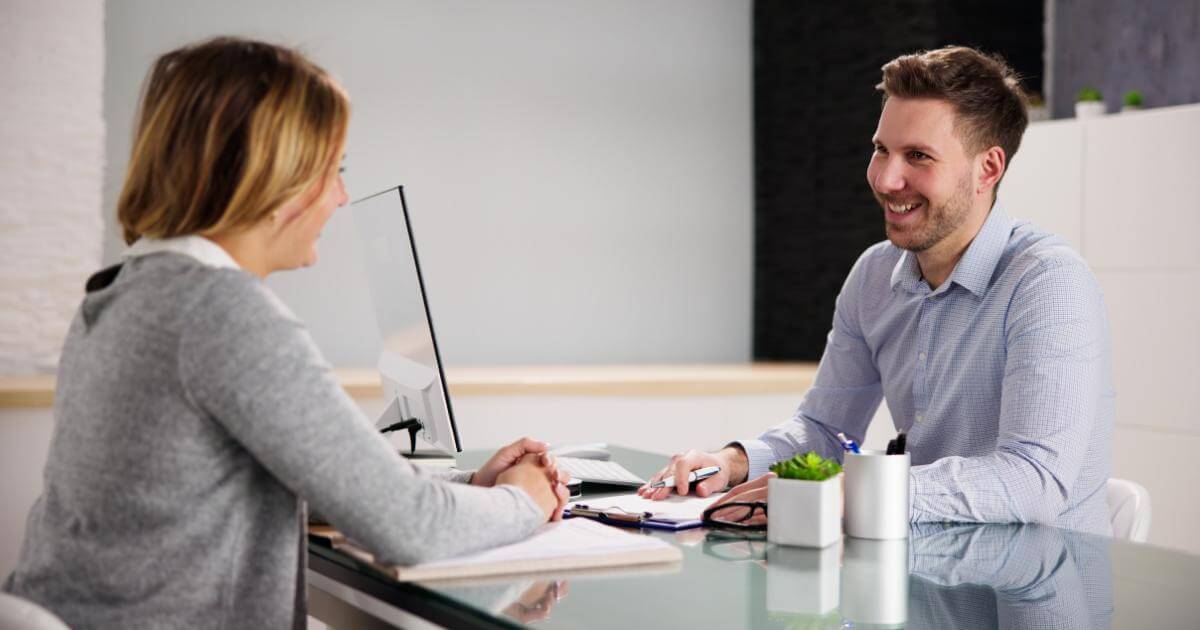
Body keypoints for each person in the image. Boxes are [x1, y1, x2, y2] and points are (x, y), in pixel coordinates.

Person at [2, 37, 568, 629]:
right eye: (333, 171)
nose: (341, 197)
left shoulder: (121, 293)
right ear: (275, 179)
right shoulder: (222, 313)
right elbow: (410, 528)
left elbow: (299, 482)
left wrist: (471, 485)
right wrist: (523, 500)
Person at [640, 46, 1114, 536]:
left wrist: (855, 491)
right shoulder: (874, 275)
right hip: (926, 570)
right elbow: (825, 430)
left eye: (918, 157)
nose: (886, 179)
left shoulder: (1048, 283)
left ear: (987, 169)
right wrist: (734, 461)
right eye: (881, 149)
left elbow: (1032, 479)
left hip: (1039, 590)